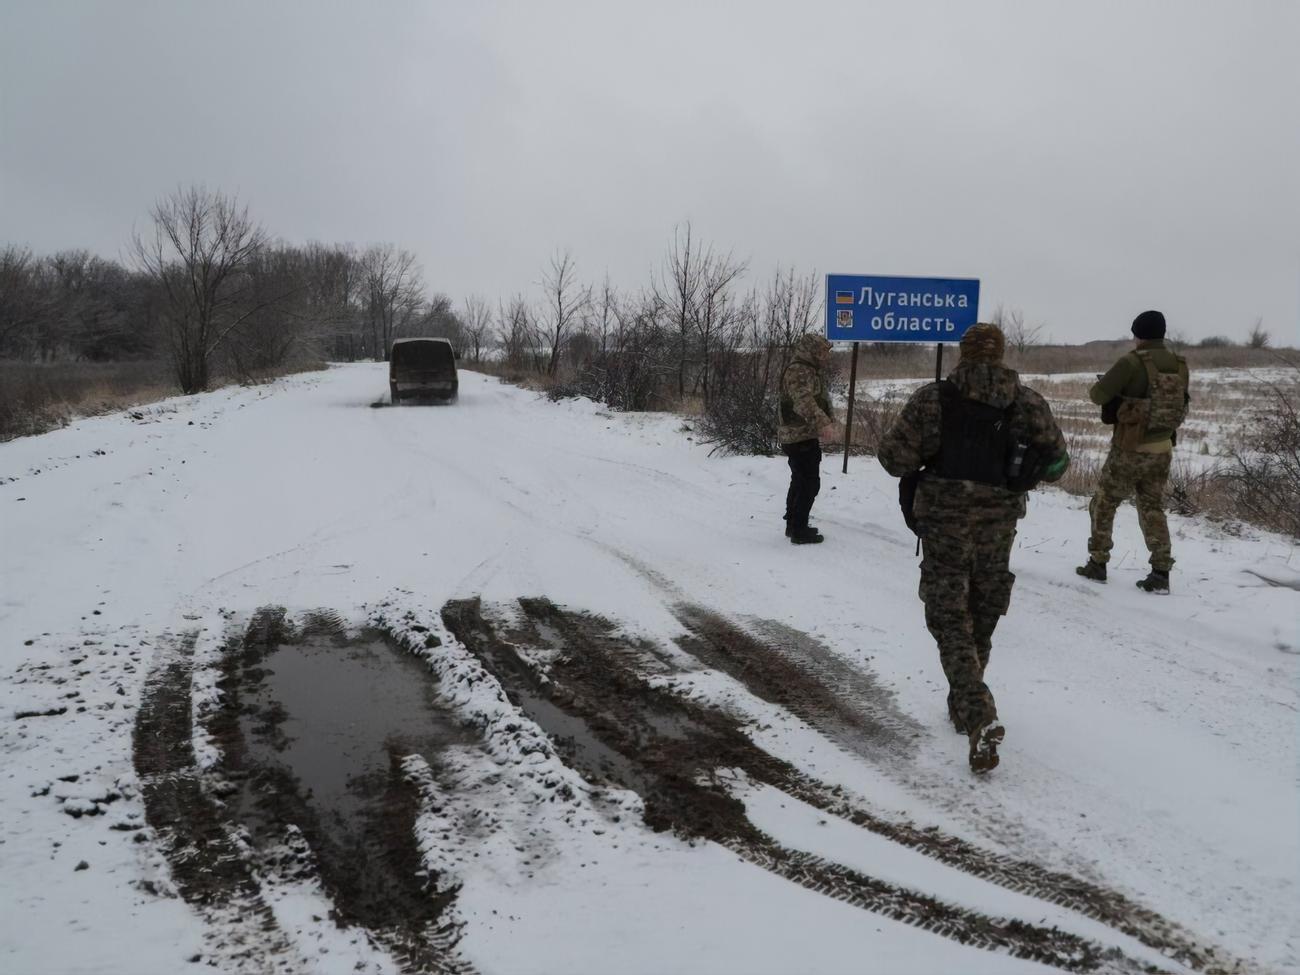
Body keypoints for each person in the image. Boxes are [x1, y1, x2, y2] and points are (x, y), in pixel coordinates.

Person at [878, 324, 1069, 773]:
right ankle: (964, 702)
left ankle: (977, 709)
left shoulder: (933, 399)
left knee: (949, 617)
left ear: (963, 355)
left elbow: (895, 459)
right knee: (981, 611)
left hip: (944, 522)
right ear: (1001, 355)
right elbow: (1059, 463)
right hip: (998, 525)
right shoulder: (1028, 402)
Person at [1076, 310, 1189, 594]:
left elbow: (1097, 395)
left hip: (1129, 449)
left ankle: (1098, 563)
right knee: (1152, 508)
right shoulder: (1179, 364)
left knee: (1104, 503)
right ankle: (1161, 572)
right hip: (1163, 449)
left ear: (1138, 334)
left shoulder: (1130, 362)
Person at [778, 333, 839, 544]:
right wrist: (823, 423)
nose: (826, 356)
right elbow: (803, 402)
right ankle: (799, 530)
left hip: (802, 435)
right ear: (813, 351)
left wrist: (829, 419)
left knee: (800, 480)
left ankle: (794, 524)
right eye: (823, 351)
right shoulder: (799, 370)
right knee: (809, 483)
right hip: (798, 436)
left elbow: (818, 399)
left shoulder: (809, 370)